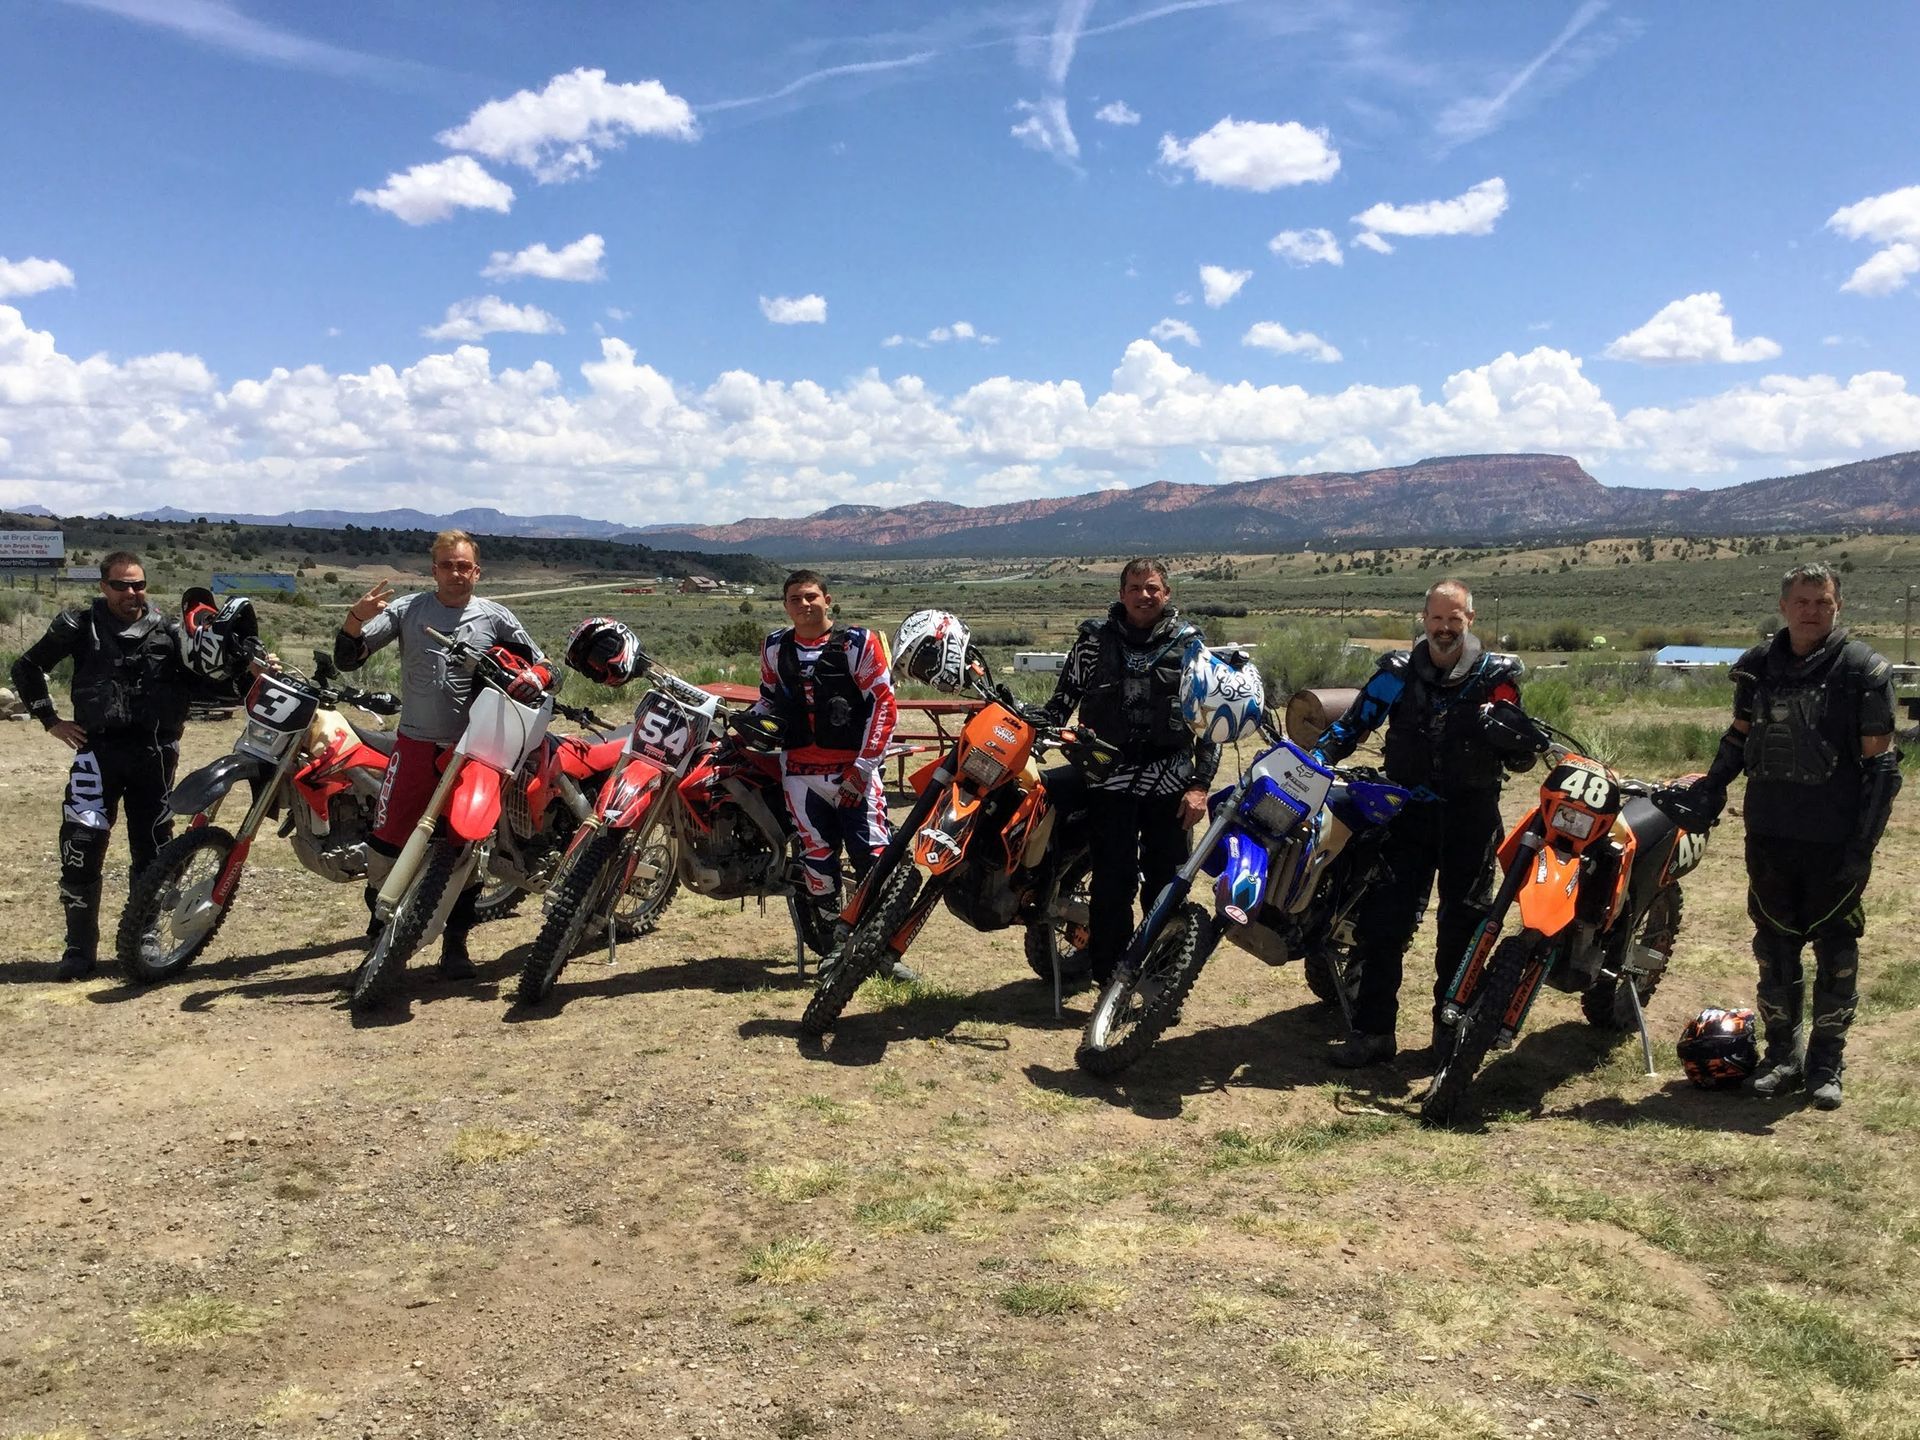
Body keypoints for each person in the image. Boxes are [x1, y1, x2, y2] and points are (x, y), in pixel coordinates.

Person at [1692, 562, 1900, 1110]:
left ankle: (1826, 1062)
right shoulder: (1758, 666)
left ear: (1838, 607)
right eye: (1803, 601)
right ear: (1784, 606)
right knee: (1774, 948)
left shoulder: (1862, 669)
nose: (1813, 611)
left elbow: (1882, 769)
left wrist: (1863, 847)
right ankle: (1782, 1055)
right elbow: (1739, 736)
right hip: (1770, 834)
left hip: (1834, 838)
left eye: (1823, 602)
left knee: (1836, 951)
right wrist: (1712, 787)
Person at [1312, 579, 1538, 1067]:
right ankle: (1374, 1034)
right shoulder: (1397, 672)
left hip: (1470, 818)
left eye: (1454, 619)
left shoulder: (1496, 677)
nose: (1444, 628)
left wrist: (1517, 742)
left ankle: (1448, 1037)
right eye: (1436, 618)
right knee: (1382, 924)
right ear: (1424, 618)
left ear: (1470, 621)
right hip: (1406, 814)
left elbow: (1520, 756)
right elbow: (1353, 724)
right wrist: (1314, 759)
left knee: (1464, 928)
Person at [332, 530, 554, 980]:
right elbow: (348, 658)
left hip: (472, 751)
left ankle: (455, 947)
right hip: (413, 744)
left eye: (464, 566)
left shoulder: (495, 617)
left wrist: (535, 677)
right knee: (385, 845)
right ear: (434, 570)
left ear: (477, 571)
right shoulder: (409, 610)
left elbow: (547, 667)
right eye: (448, 565)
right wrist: (355, 619)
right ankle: (377, 949)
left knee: (462, 850)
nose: (457, 573)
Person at [11, 552, 207, 979]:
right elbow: (27, 667)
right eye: (121, 585)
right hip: (95, 754)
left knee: (153, 850)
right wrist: (50, 720)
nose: (131, 593)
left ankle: (145, 936)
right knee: (80, 846)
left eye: (138, 584)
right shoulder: (79, 626)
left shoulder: (172, 630)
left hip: (155, 757)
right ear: (104, 586)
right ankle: (78, 950)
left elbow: (208, 680)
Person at [1032, 558, 1220, 988]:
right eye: (1135, 587)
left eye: (1152, 587)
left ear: (1167, 593)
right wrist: (1035, 729)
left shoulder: (1191, 647)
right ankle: (1108, 980)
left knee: (1165, 885)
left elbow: (1210, 724)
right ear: (1121, 593)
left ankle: (1159, 981)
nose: (1144, 595)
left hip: (1170, 786)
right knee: (1111, 885)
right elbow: (1061, 703)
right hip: (1108, 782)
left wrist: (1200, 786)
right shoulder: (1092, 643)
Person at [750, 570, 901, 955]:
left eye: (811, 596)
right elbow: (768, 699)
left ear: (827, 599)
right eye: (795, 599)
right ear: (785, 605)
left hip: (853, 774)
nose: (804, 604)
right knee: (816, 858)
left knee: (873, 856)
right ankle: (833, 942)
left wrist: (863, 769)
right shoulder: (773, 648)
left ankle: (880, 947)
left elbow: (883, 704)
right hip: (799, 774)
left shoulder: (856, 643)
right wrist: (746, 727)